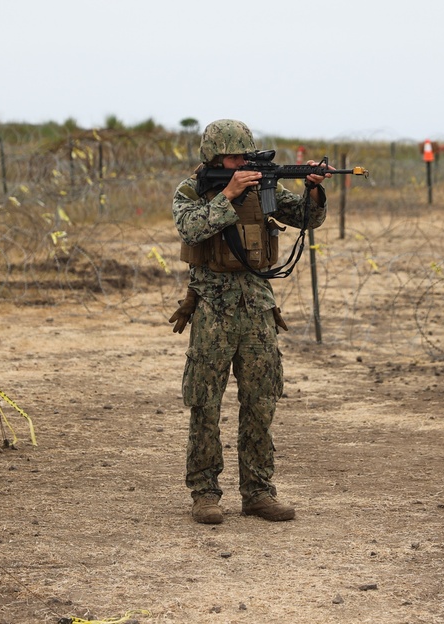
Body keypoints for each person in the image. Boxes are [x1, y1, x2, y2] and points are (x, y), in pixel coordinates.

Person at [170, 119, 332, 524]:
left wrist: (314, 187)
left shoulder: (264, 189)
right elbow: (190, 229)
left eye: (246, 155)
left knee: (261, 400)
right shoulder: (192, 190)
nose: (242, 162)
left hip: (257, 307)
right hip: (212, 308)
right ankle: (205, 493)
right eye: (233, 156)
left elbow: (307, 219)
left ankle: (258, 491)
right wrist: (228, 194)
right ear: (213, 157)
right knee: (205, 402)